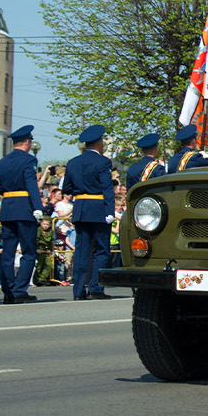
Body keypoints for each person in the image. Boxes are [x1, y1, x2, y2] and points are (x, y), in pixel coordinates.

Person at [63, 124, 115, 300]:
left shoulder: (72, 162)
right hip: (98, 208)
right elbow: (107, 188)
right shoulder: (103, 161)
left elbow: (67, 188)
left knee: (82, 251)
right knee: (101, 250)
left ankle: (78, 291)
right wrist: (110, 210)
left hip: (81, 209)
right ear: (99, 143)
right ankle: (95, 287)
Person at [0, 125, 43, 305]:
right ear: (28, 142)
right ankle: (20, 289)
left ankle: (8, 290)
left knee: (7, 252)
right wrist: (38, 207)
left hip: (8, 208)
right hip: (24, 208)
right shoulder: (28, 160)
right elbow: (31, 184)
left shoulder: (3, 162)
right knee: (28, 252)